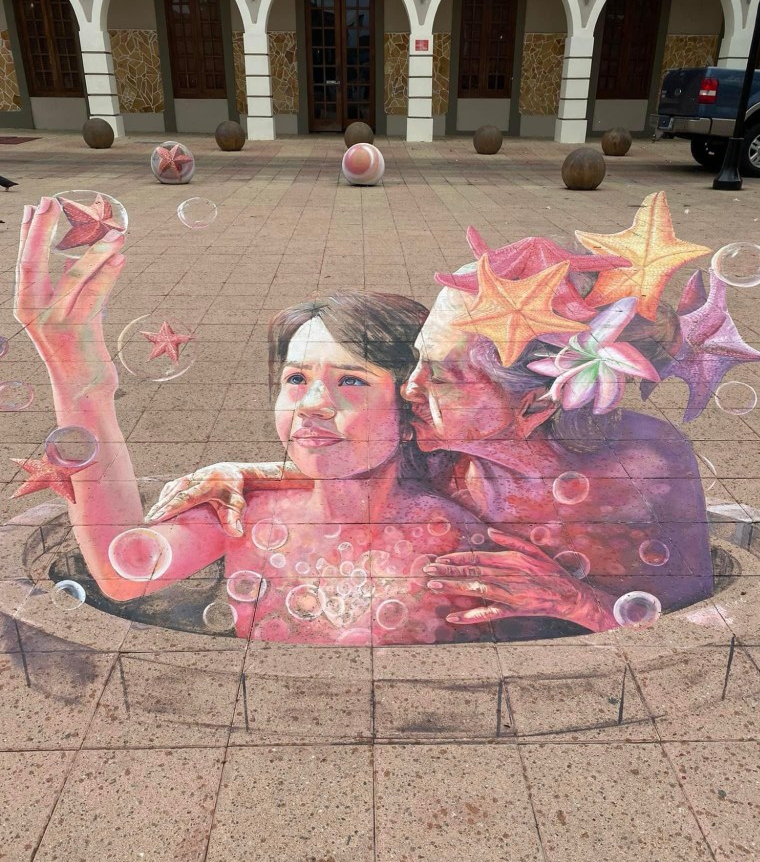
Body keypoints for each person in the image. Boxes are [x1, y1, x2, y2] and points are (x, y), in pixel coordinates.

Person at [21, 196, 598, 643]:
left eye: (352, 381)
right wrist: (79, 376)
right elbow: (123, 571)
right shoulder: (240, 511)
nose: (311, 403)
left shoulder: (469, 533)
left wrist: (579, 602)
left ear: (411, 408)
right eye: (295, 379)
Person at [150, 205, 718, 633]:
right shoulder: (441, 449)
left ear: (536, 405)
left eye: (443, 376)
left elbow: (697, 623)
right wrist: (244, 473)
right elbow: (356, 463)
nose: (410, 387)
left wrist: (576, 602)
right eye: (420, 360)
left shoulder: (646, 466)